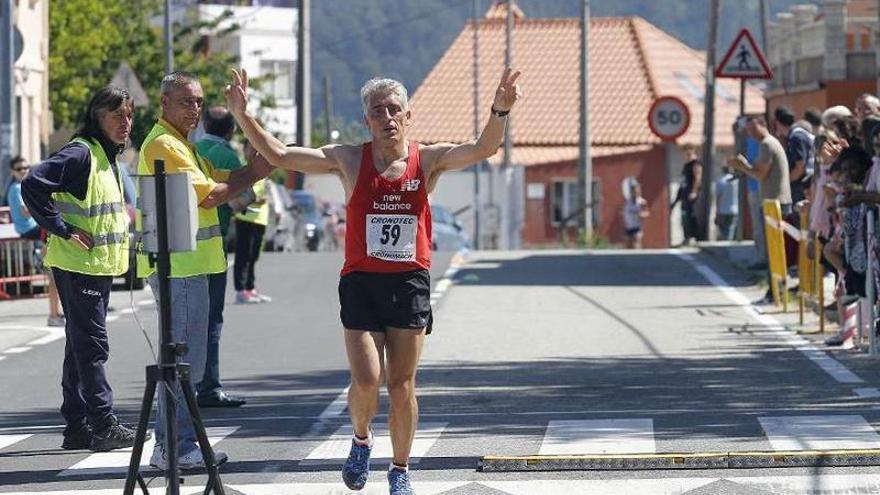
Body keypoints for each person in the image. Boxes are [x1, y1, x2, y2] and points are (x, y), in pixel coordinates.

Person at [225, 66, 522, 495]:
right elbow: (281, 156)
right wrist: (242, 114)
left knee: (402, 386)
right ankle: (361, 441)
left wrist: (500, 110)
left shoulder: (429, 159)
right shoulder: (349, 158)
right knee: (367, 378)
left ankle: (400, 470)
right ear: (367, 119)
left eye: (394, 109)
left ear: (407, 115)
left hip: (409, 284)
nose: (387, 116)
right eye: (377, 110)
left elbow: (481, 149)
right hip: (362, 282)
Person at [138, 72, 271, 470]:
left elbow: (217, 180)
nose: (194, 109)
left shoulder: (181, 143)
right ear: (164, 103)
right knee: (180, 364)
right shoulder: (165, 143)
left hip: (189, 267)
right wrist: (255, 172)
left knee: (186, 364)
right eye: (185, 101)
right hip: (179, 269)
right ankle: (171, 448)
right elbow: (212, 195)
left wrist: (249, 170)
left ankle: (176, 444)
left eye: (198, 101)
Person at [21, 86, 141, 451]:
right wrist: (63, 228)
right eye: (117, 114)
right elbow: (32, 183)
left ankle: (76, 426)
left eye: (129, 115)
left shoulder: (107, 158)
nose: (126, 122)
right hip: (78, 267)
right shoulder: (81, 153)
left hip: (93, 267)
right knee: (91, 347)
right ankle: (102, 424)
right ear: (97, 116)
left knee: (78, 347)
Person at [194, 106, 248, 408]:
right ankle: (209, 386)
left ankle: (185, 383)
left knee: (185, 320)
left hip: (183, 248)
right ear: (231, 130)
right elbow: (242, 201)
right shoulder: (228, 157)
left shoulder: (192, 149)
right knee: (212, 319)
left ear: (203, 125)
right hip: (213, 246)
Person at [727, 115, 792, 304]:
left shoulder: (766, 145)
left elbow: (760, 174)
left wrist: (742, 166)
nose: (751, 134)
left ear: (764, 126)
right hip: (774, 202)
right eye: (748, 131)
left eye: (754, 129)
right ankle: (775, 291)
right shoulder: (769, 144)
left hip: (775, 203)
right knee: (775, 250)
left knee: (774, 251)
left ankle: (776, 292)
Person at [8, 156, 66, 326]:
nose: (24, 171)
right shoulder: (16, 188)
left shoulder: (26, 185)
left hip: (38, 227)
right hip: (29, 228)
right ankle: (55, 314)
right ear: (13, 172)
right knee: (54, 273)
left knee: (55, 274)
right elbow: (26, 211)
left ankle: (58, 313)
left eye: (26, 167)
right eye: (19, 169)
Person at [232, 144, 271, 304]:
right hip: (245, 217)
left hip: (260, 218)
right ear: (245, 150)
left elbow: (263, 191)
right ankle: (241, 291)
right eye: (251, 148)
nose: (254, 151)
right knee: (243, 255)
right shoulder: (242, 167)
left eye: (257, 148)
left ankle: (250, 288)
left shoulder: (263, 167)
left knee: (253, 256)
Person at [670, 144, 701, 246]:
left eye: (689, 151)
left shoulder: (695, 164)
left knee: (692, 216)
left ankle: (695, 237)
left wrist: (694, 192)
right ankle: (686, 237)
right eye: (685, 152)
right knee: (684, 217)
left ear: (693, 151)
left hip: (691, 196)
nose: (687, 154)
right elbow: (683, 181)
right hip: (684, 194)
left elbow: (697, 178)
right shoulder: (686, 165)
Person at [621, 177, 648, 249]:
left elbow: (646, 213)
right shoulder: (627, 202)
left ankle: (639, 257)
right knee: (628, 245)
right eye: (634, 191)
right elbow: (623, 212)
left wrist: (642, 215)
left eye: (637, 191)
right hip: (629, 226)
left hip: (637, 226)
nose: (635, 193)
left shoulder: (642, 202)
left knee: (636, 240)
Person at [714, 166, 739, 241]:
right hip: (734, 209)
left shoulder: (721, 181)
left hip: (723, 210)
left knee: (723, 231)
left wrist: (716, 211)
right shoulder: (736, 181)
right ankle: (728, 244)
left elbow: (718, 197)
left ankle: (724, 246)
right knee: (730, 230)